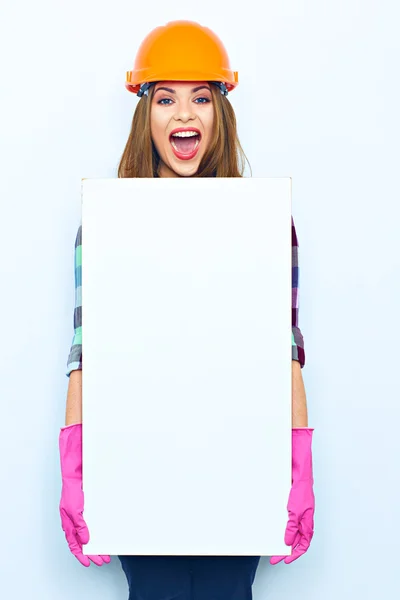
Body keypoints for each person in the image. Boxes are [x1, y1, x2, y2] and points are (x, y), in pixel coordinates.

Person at [58, 19, 315, 600]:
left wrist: (300, 461)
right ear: (144, 115)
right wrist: (74, 464)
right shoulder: (104, 224)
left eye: (201, 97)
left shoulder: (267, 222)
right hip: (138, 468)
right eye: (165, 97)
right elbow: (86, 351)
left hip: (239, 466)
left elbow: (286, 348)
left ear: (220, 115)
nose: (184, 114)